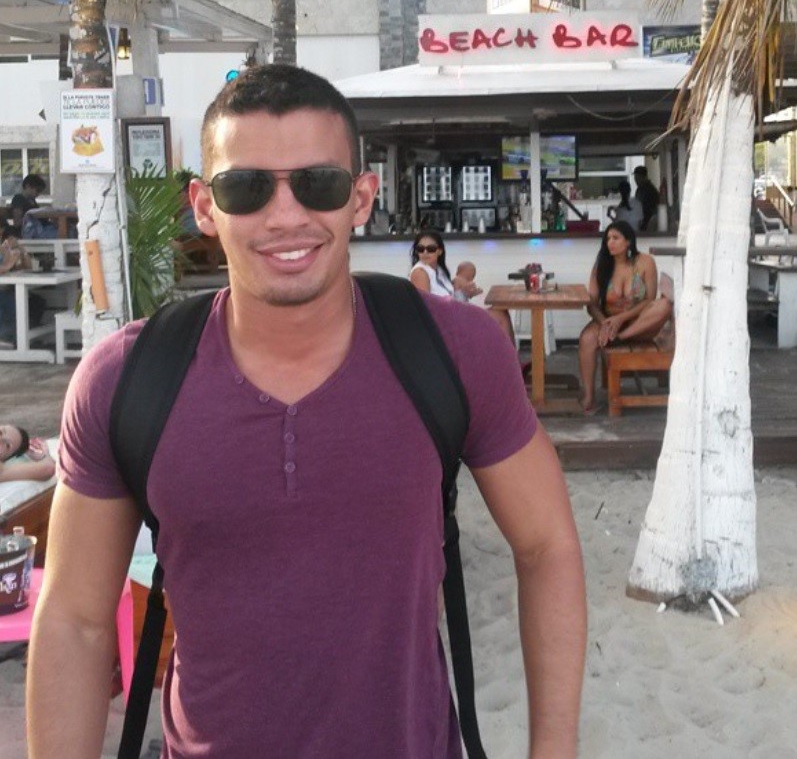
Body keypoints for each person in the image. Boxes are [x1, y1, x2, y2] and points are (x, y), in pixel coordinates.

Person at [28, 64, 586, 758]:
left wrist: (553, 748)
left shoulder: (452, 350)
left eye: (317, 184)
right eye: (247, 187)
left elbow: (547, 546)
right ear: (205, 207)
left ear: (360, 198)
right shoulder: (127, 379)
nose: (285, 215)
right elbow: (76, 620)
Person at [578, 221, 673, 415]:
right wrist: (604, 322)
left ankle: (620, 339)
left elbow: (648, 300)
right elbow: (592, 304)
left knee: (664, 305)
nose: (610, 243)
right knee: (587, 338)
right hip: (608, 321)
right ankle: (589, 395)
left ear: (628, 241)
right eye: (608, 239)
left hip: (639, 324)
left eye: (616, 238)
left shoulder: (645, 262)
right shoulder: (602, 266)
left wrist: (622, 319)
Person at [633, 165, 660, 231]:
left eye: (637, 178)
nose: (636, 180)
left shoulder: (649, 190)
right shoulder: (639, 189)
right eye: (635, 178)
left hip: (647, 223)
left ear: (643, 177)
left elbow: (647, 209)